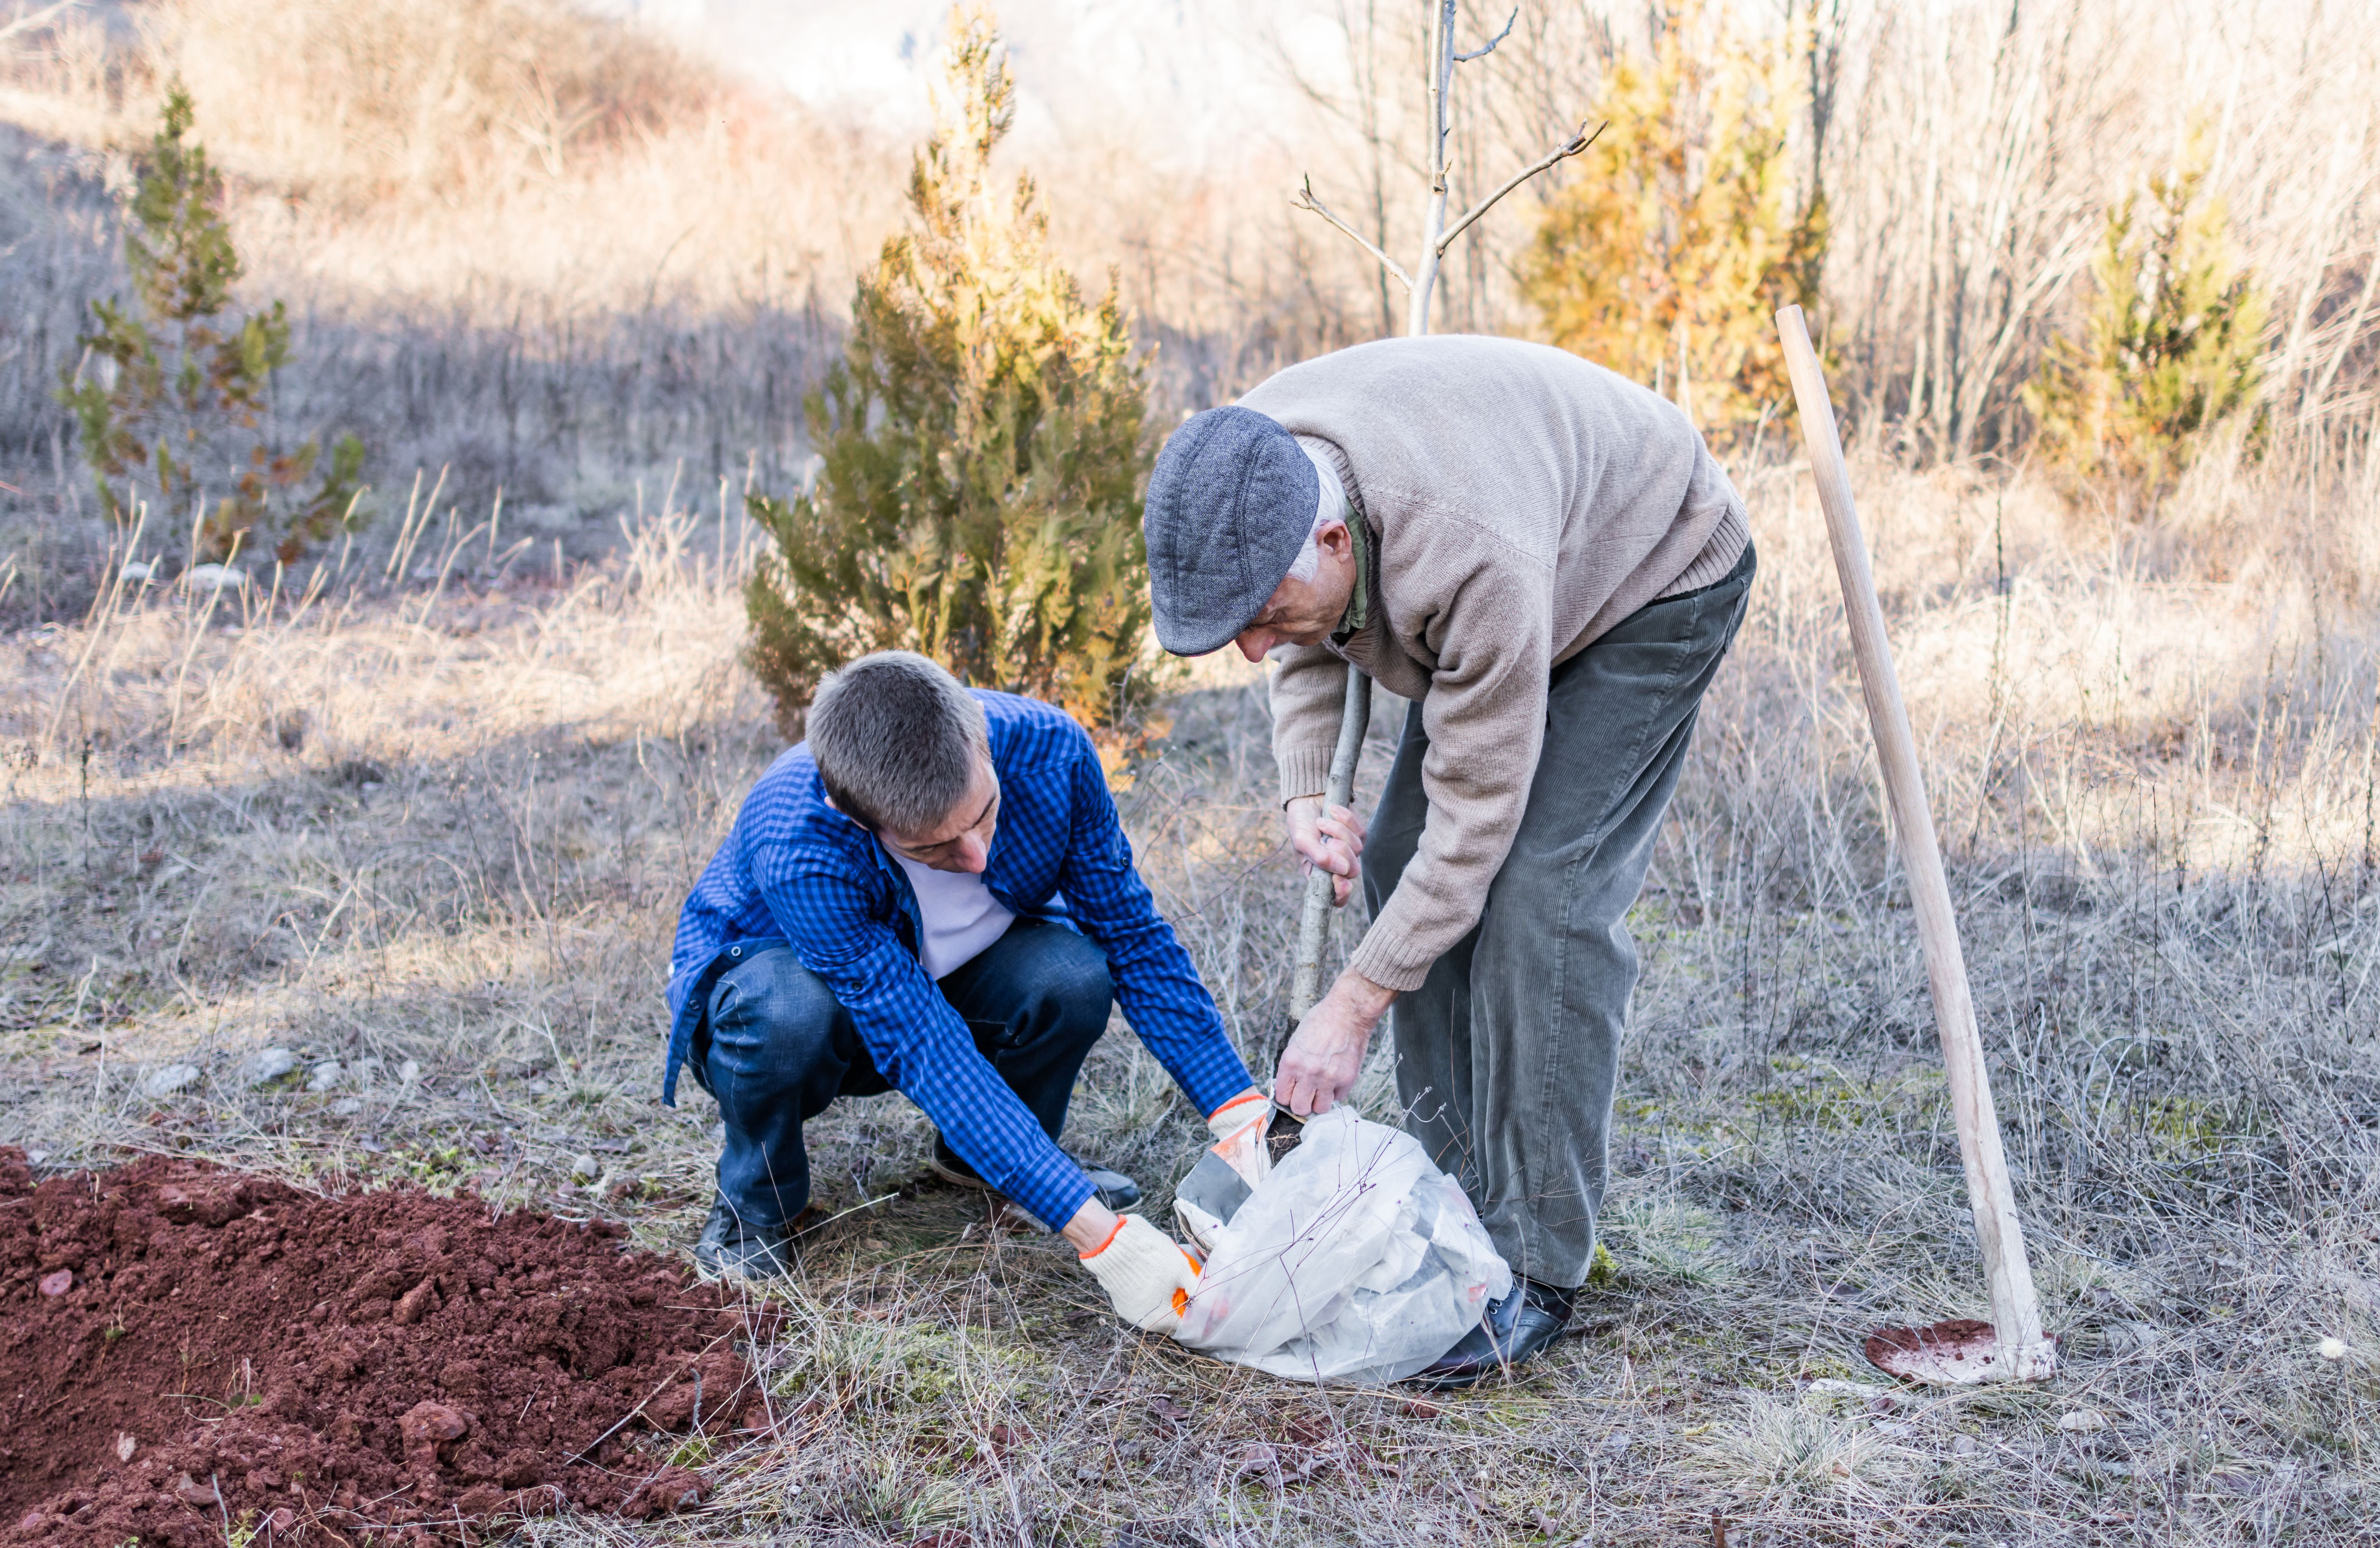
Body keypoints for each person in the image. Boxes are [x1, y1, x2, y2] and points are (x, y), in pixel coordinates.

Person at [1140, 334, 1755, 1384]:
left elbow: (1475, 819)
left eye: (1264, 620)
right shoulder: (1254, 466)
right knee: (1389, 853)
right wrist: (1305, 786)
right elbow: (1298, 639)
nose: (1251, 650)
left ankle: (1537, 1261)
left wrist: (1351, 1006)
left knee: (1537, 899)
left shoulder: (1466, 549)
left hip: (1653, 570)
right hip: (1518, 556)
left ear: (1334, 539)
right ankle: (1453, 1190)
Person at [663, 651, 1273, 1331]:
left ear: (980, 737)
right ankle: (757, 1202)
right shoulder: (801, 835)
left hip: (949, 972)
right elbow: (925, 1047)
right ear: (856, 815)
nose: (977, 856)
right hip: (795, 1001)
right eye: (934, 850)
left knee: (1072, 976)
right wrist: (1104, 1239)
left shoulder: (1051, 752)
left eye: (983, 815)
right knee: (786, 1013)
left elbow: (1131, 935)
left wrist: (1242, 1117)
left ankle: (993, 1167)